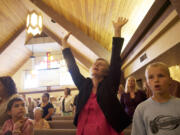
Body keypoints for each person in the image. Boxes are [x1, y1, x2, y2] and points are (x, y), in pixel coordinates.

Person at [61, 17, 131, 135]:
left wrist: (117, 31)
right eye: (95, 63)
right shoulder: (84, 85)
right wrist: (65, 45)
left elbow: (115, 61)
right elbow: (73, 69)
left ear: (107, 72)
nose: (96, 64)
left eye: (101, 64)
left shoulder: (110, 85)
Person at [131, 62, 180, 135]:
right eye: (151, 77)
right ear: (147, 83)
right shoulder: (141, 109)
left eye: (160, 76)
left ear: (170, 80)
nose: (156, 80)